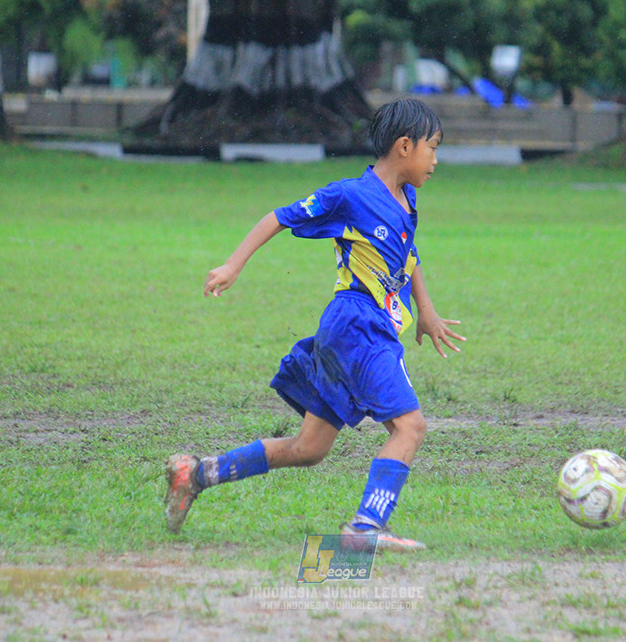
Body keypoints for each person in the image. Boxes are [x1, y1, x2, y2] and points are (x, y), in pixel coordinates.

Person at [165, 99, 465, 551]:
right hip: (359, 326)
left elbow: (409, 251)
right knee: (410, 427)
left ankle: (197, 473)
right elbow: (279, 217)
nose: (436, 160)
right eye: (433, 148)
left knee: (310, 449)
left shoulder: (407, 198)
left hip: (351, 330)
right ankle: (365, 529)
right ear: (405, 146)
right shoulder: (350, 195)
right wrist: (232, 265)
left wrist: (426, 309)